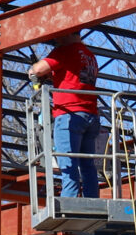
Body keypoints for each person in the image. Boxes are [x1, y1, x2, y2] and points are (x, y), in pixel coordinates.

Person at [33, 32, 103, 200]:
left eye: (57, 36)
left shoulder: (64, 51)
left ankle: (69, 203)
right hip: (90, 114)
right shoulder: (89, 56)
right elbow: (75, 77)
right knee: (88, 165)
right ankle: (91, 201)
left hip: (69, 115)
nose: (56, 40)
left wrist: (32, 71)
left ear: (65, 34)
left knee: (68, 164)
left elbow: (38, 69)